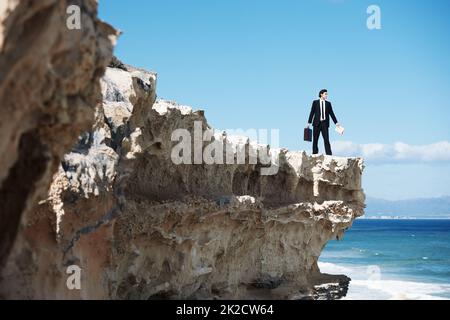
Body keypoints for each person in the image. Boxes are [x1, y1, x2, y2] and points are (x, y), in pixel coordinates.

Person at [306, 89, 341, 155]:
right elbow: (312, 113)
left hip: (325, 124)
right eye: (325, 94)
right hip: (316, 124)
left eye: (327, 94)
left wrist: (336, 123)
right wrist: (309, 123)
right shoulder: (315, 102)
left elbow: (331, 113)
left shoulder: (328, 103)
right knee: (315, 139)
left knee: (326, 139)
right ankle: (314, 153)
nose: (327, 95)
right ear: (321, 94)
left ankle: (329, 154)